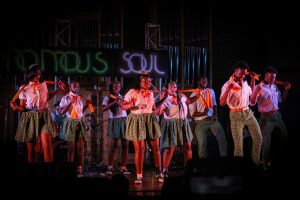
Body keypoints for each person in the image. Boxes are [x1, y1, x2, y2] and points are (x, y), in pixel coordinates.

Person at [10, 64, 64, 162]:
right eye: (36, 74)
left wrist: (59, 89)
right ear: (30, 74)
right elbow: (23, 107)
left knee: (47, 146)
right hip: (30, 116)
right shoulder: (24, 87)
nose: (38, 76)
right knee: (32, 150)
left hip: (44, 115)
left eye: (39, 74)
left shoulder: (43, 84)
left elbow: (47, 97)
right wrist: (16, 107)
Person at [122, 73, 167, 184]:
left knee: (156, 147)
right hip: (137, 119)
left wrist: (165, 98)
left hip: (150, 118)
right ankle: (139, 175)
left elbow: (154, 108)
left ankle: (159, 171)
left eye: (150, 81)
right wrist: (136, 106)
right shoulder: (132, 91)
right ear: (139, 81)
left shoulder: (150, 93)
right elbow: (123, 106)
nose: (148, 83)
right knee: (141, 149)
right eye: (145, 81)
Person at [220, 60, 262, 165]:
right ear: (236, 71)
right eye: (241, 73)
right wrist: (228, 90)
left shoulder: (245, 82)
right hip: (235, 115)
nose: (243, 75)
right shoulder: (227, 84)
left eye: (245, 73)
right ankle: (240, 169)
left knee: (258, 138)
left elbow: (251, 94)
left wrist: (252, 79)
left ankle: (255, 164)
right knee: (239, 145)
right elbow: (221, 103)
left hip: (248, 112)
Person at [156, 81, 200, 181]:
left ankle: (188, 168)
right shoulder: (165, 98)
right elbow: (158, 113)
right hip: (171, 123)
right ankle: (164, 170)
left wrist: (198, 95)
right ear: (167, 88)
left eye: (175, 86)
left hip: (183, 123)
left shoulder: (180, 95)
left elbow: (188, 101)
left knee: (188, 145)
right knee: (169, 149)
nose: (173, 88)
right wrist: (163, 101)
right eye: (171, 87)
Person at [250, 66, 290, 170]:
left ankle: (273, 159)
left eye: (274, 77)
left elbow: (281, 100)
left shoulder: (275, 87)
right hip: (266, 117)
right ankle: (264, 166)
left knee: (284, 136)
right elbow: (252, 102)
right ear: (266, 76)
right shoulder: (259, 87)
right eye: (271, 77)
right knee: (266, 142)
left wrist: (286, 90)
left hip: (277, 115)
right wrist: (255, 92)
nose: (273, 79)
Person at [189, 75, 227, 159]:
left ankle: (224, 160)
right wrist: (203, 113)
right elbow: (192, 113)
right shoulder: (193, 94)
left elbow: (214, 104)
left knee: (222, 139)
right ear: (198, 82)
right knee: (202, 144)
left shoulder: (210, 91)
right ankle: (203, 166)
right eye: (203, 80)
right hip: (200, 122)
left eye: (206, 80)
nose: (205, 82)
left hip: (212, 120)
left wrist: (215, 115)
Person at [59, 80, 91, 176]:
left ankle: (79, 169)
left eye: (77, 86)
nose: (76, 87)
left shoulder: (80, 98)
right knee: (71, 148)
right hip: (70, 122)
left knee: (80, 147)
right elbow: (61, 112)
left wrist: (87, 105)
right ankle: (70, 170)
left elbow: (80, 112)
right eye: (74, 86)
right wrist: (70, 103)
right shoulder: (66, 98)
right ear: (70, 87)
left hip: (79, 122)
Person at [101, 81, 129, 175]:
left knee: (125, 144)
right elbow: (103, 108)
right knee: (113, 145)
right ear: (111, 88)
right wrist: (114, 102)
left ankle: (123, 166)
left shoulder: (123, 97)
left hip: (124, 120)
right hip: (114, 120)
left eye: (118, 86)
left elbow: (127, 106)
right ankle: (110, 166)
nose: (117, 88)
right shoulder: (107, 97)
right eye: (115, 86)